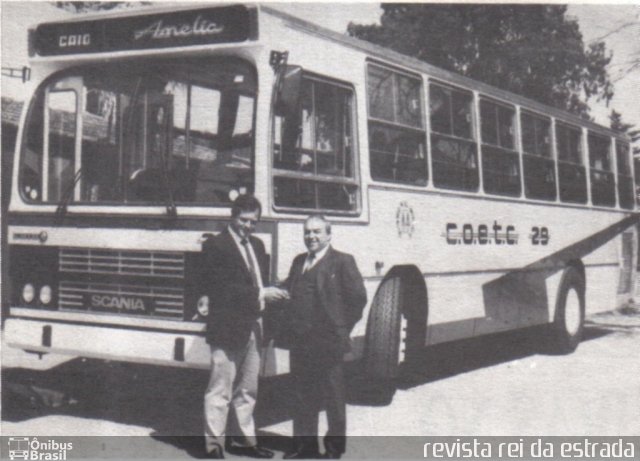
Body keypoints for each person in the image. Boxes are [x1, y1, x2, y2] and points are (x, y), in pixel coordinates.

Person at [200, 195, 288, 459]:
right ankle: (213, 447)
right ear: (232, 216)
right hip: (227, 327)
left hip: (255, 325)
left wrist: (273, 292)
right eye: (244, 220)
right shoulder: (216, 245)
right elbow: (222, 289)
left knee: (248, 390)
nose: (248, 226)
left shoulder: (258, 246)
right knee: (220, 390)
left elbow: (258, 280)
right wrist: (262, 294)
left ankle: (245, 442)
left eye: (253, 221)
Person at [282, 214, 367, 459]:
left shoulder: (342, 261)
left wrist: (342, 327)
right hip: (301, 342)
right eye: (307, 232)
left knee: (333, 398)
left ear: (329, 234)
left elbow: (358, 299)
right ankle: (304, 447)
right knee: (302, 395)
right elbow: (291, 289)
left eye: (317, 232)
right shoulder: (300, 261)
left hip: (328, 342)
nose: (311, 237)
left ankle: (333, 451)